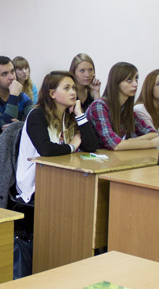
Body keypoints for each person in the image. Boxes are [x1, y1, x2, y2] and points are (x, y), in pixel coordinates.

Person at [16, 71, 100, 204]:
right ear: (52, 93)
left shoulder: (69, 115)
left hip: (61, 173)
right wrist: (72, 146)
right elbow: (46, 150)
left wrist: (80, 114)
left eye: (73, 88)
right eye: (67, 88)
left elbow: (92, 146)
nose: (72, 92)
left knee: (91, 192)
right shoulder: (37, 115)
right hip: (35, 180)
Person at [86, 62, 159, 151]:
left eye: (136, 79)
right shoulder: (99, 106)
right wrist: (151, 143)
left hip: (111, 159)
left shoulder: (124, 108)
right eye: (129, 80)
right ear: (116, 83)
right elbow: (114, 144)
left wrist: (131, 141)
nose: (135, 84)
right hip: (90, 160)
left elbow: (153, 133)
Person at [0, 55, 34, 132]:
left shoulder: (22, 96)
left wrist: (20, 125)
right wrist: (13, 96)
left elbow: (36, 123)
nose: (12, 77)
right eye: (4, 74)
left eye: (12, 71)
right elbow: (5, 126)